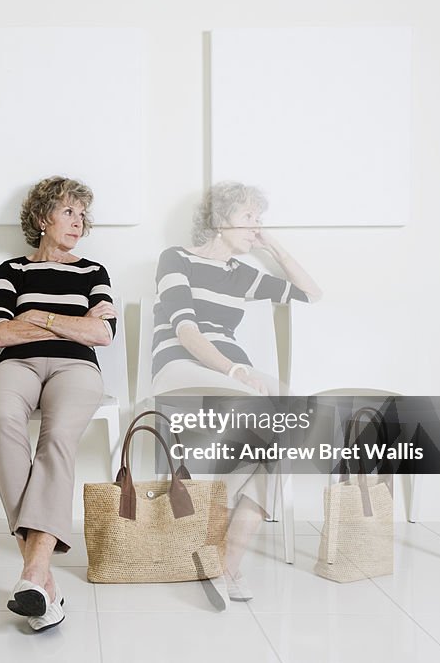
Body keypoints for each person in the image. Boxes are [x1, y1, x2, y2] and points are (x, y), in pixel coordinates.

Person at [152, 181, 321, 600]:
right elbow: (185, 330)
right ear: (218, 220)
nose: (256, 226)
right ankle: (217, 554)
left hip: (235, 372)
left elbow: (310, 295)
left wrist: (273, 247)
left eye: (258, 219)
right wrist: (235, 371)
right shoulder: (176, 259)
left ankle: (226, 561)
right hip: (182, 367)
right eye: (248, 218)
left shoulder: (241, 274)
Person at [0, 176, 116, 632]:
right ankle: (41, 580)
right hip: (15, 366)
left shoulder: (92, 272)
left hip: (76, 369)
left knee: (57, 436)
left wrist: (36, 316)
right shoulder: (12, 270)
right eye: (68, 212)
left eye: (83, 215)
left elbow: (101, 334)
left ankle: (34, 574)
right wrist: (71, 321)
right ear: (42, 219)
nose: (79, 222)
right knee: (3, 423)